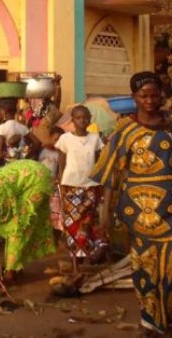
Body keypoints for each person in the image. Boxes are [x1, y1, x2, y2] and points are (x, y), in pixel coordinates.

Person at [91, 71, 172, 337]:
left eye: (154, 95)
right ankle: (150, 322)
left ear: (161, 95)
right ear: (134, 98)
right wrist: (104, 215)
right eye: (144, 96)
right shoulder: (125, 130)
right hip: (139, 213)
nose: (150, 100)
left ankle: (169, 322)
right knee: (146, 269)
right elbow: (110, 175)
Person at [56, 105, 107, 267]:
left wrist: (102, 181)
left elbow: (99, 162)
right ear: (73, 120)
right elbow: (61, 161)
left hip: (91, 185)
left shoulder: (95, 139)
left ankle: (86, 255)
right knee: (71, 223)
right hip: (70, 185)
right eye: (78, 118)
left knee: (87, 221)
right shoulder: (65, 139)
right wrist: (59, 177)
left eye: (85, 118)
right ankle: (75, 258)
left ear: (90, 120)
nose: (82, 121)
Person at [0, 100, 39, 170]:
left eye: (0, 111)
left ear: (5, 112)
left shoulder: (2, 128)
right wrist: (28, 157)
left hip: (6, 168)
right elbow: (37, 142)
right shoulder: (23, 127)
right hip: (20, 167)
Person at [39, 125, 65, 241]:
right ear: (50, 138)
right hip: (41, 185)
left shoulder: (61, 154)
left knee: (54, 213)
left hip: (54, 187)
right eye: (55, 139)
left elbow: (61, 169)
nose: (57, 142)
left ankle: (54, 238)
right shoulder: (42, 150)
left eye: (60, 140)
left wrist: (58, 179)